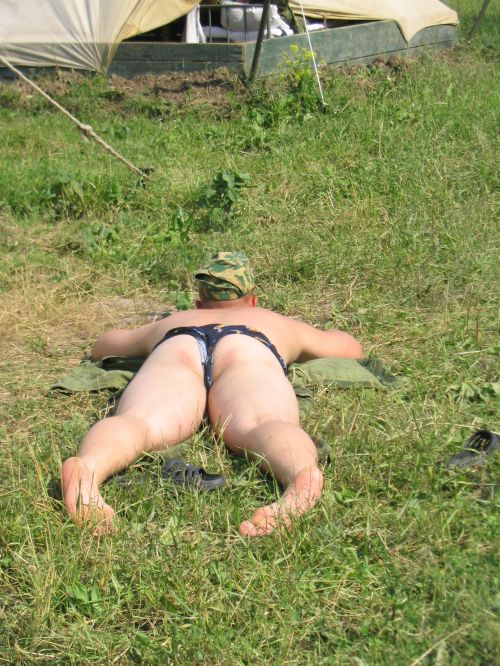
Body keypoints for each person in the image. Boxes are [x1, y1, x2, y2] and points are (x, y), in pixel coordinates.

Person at [62, 252, 362, 537]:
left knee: (139, 421)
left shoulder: (176, 319)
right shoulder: (272, 320)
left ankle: (89, 467)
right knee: (264, 423)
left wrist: (160, 327)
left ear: (198, 302)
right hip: (249, 346)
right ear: (253, 300)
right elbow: (350, 348)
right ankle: (300, 474)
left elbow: (105, 346)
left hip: (178, 344)